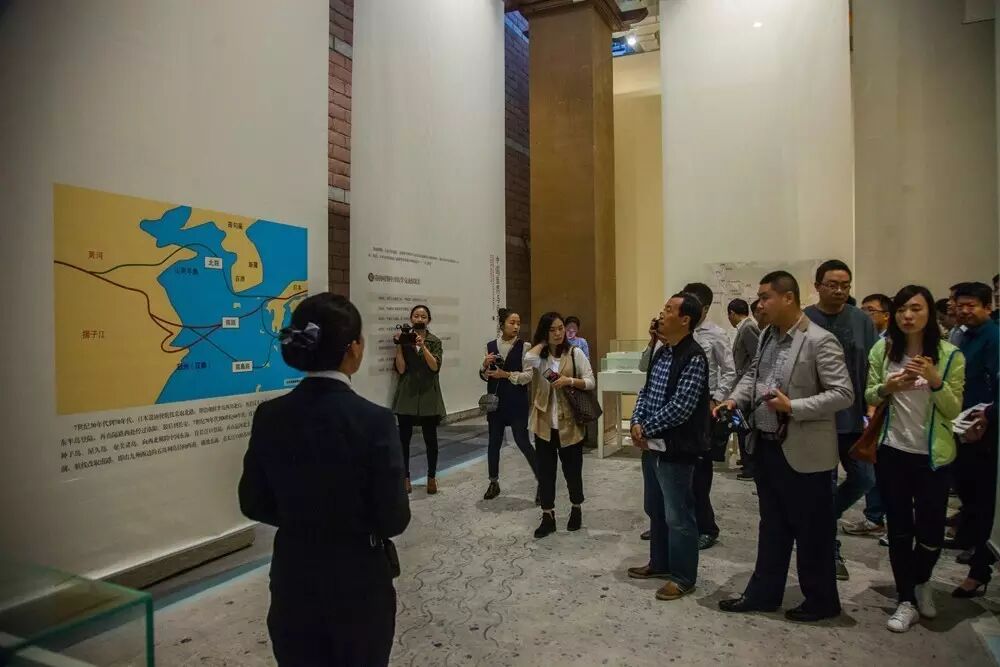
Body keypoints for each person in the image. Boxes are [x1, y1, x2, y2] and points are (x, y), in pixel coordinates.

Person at [239, 293, 410, 666]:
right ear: (353, 349)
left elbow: (252, 501)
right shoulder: (375, 421)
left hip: (294, 574)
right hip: (359, 579)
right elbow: (394, 518)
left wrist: (303, 517)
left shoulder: (270, 415)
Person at [717, 271, 853, 623]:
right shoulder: (766, 335)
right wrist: (734, 399)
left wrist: (794, 407)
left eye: (765, 297)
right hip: (767, 446)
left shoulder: (819, 341)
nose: (759, 304)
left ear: (788, 298)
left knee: (813, 532)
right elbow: (753, 375)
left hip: (806, 452)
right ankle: (764, 593)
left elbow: (843, 394)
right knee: (772, 527)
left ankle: (821, 601)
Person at [864, 285, 965, 632]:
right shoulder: (883, 349)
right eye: (902, 309)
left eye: (916, 309)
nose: (908, 316)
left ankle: (921, 580)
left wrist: (935, 381)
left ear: (929, 313)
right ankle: (905, 599)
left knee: (932, 530)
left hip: (933, 456)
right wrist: (889, 387)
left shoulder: (950, 355)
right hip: (893, 450)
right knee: (899, 529)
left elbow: (953, 409)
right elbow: (870, 393)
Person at [626, 293, 711, 601]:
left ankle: (683, 577)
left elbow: (681, 407)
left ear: (685, 319)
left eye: (669, 310)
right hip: (651, 446)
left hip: (675, 448)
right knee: (655, 508)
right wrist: (636, 421)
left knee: (678, 515)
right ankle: (659, 563)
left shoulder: (694, 357)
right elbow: (646, 391)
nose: (662, 314)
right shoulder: (662, 352)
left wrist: (645, 428)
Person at [803, 260, 878, 581]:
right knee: (825, 485)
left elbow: (873, 366)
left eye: (845, 285)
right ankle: (829, 550)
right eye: (832, 284)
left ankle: (819, 522)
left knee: (864, 478)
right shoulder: (805, 319)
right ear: (818, 286)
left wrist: (872, 407)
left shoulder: (861, 321)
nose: (839, 290)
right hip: (817, 419)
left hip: (854, 419)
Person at [524, 312, 596, 538]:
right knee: (546, 473)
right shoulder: (541, 357)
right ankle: (548, 516)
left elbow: (591, 381)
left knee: (572, 471)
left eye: (560, 329)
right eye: (552, 329)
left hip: (570, 424)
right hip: (544, 424)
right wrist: (543, 343)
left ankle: (576, 508)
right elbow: (528, 358)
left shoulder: (574, 353)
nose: (558, 333)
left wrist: (569, 381)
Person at [950, 282, 998, 596]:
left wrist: (990, 414)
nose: (965, 311)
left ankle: (980, 569)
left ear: (987, 307)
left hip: (985, 432)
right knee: (969, 499)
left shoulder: (994, 338)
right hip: (961, 428)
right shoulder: (962, 336)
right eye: (961, 305)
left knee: (983, 504)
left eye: (972, 305)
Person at [682, 282, 737, 550]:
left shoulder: (715, 334)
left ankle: (706, 527)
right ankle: (676, 522)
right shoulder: (680, 330)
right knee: (676, 470)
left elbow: (729, 370)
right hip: (679, 407)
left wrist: (717, 399)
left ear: (704, 308)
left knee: (700, 473)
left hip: (704, 409)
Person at [841, 293, 894, 538]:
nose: (865, 314)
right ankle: (873, 516)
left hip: (878, 415)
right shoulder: (867, 339)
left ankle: (877, 517)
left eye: (871, 310)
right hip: (860, 412)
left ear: (886, 315)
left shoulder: (890, 344)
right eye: (863, 309)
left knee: (870, 474)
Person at [480, 307, 538, 501]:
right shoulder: (490, 345)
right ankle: (493, 482)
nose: (516, 326)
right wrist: (484, 366)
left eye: (518, 323)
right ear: (502, 324)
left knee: (523, 441)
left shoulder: (525, 346)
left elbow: (528, 376)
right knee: (494, 443)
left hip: (516, 401)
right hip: (496, 403)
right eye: (512, 323)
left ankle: (542, 481)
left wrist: (505, 375)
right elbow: (485, 375)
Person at [393, 304, 446, 494]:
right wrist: (400, 346)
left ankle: (431, 477)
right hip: (407, 393)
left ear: (428, 320)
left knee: (431, 439)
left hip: (428, 394)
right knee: (403, 440)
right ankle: (405, 478)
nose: (419, 319)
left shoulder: (434, 341)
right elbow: (400, 369)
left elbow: (434, 367)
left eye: (423, 316)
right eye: (416, 315)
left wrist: (422, 346)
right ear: (411, 319)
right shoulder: (404, 340)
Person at [728, 298, 761, 481]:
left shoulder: (748, 328)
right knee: (740, 425)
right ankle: (746, 460)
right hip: (741, 385)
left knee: (744, 427)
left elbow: (756, 357)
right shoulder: (745, 328)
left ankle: (750, 466)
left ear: (732, 313)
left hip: (746, 387)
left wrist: (745, 381)